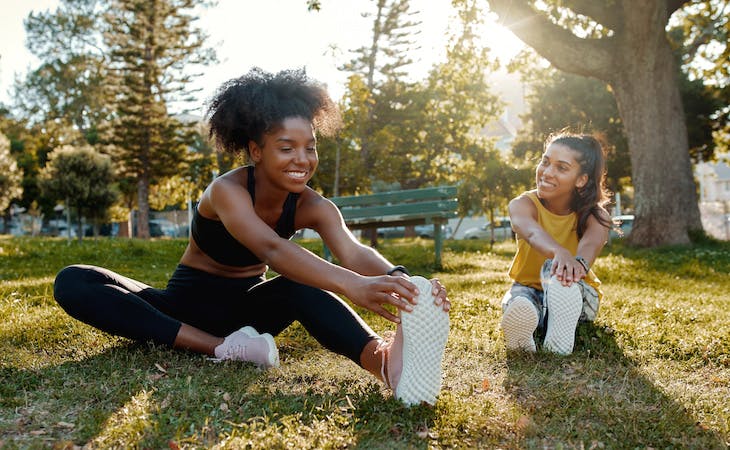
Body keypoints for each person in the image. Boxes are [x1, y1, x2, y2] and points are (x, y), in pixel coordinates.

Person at [53, 68, 450, 406]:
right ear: (256, 151)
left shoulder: (314, 205)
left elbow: (352, 250)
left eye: (310, 147)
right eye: (286, 147)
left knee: (302, 287)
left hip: (249, 315)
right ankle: (222, 349)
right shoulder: (227, 191)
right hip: (180, 309)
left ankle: (383, 361)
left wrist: (406, 282)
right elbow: (271, 247)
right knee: (75, 280)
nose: (302, 159)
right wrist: (353, 286)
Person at [501, 131, 612, 355]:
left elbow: (590, 247)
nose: (547, 172)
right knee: (519, 302)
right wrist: (558, 251)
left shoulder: (596, 216)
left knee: (556, 271)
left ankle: (557, 320)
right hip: (529, 286)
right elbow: (531, 233)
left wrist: (576, 263)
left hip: (573, 287)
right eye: (545, 162)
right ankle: (530, 323)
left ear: (581, 180)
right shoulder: (523, 205)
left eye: (561, 168)